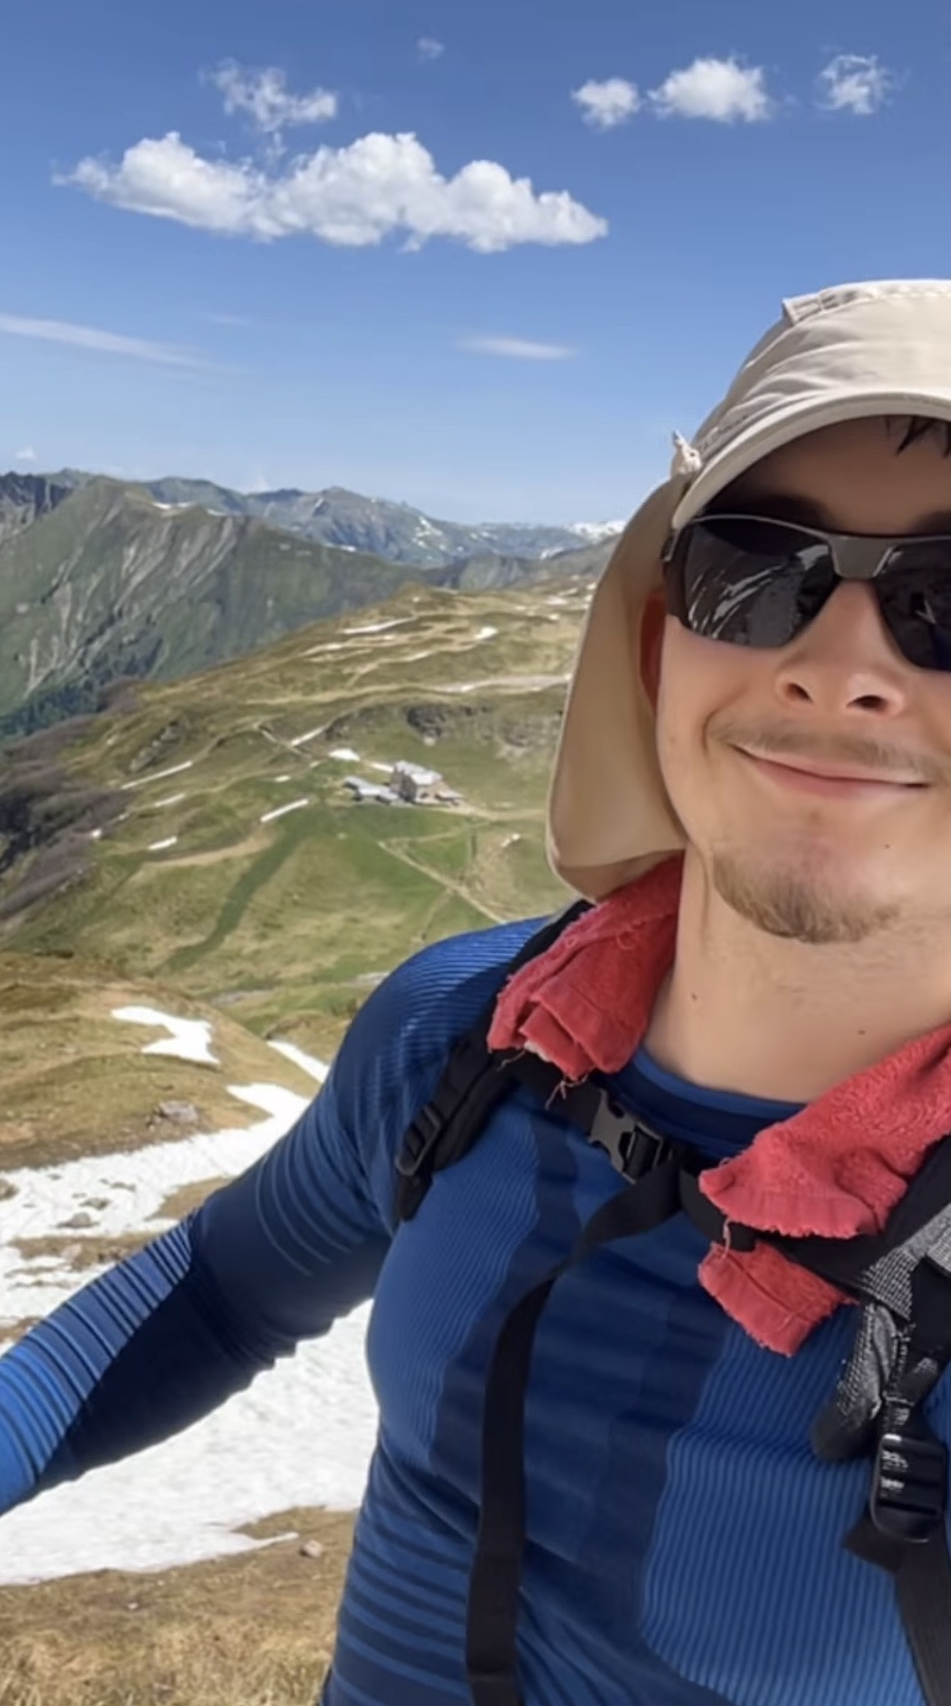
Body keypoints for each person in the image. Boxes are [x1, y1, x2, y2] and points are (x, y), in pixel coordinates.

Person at [4, 278, 951, 1706]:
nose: (840, 666)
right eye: (758, 570)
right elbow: (218, 1293)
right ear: (657, 646)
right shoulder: (473, 1032)